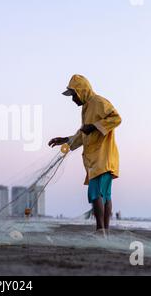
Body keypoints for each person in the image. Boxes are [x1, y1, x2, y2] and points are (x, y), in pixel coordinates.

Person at [49, 74, 121, 236]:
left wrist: (94, 126)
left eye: (74, 95)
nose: (73, 99)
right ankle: (104, 231)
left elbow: (116, 118)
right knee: (105, 194)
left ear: (82, 91)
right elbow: (83, 134)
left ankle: (100, 230)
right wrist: (65, 140)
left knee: (96, 193)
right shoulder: (87, 108)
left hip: (103, 157)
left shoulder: (98, 102)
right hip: (97, 159)